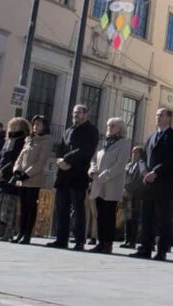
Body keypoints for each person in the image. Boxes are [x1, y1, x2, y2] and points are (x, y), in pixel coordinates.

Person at [130, 108, 173, 261]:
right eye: (157, 115)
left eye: (161, 115)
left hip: (164, 184)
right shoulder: (150, 136)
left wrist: (156, 172)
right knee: (146, 217)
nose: (158, 117)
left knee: (164, 219)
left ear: (169, 118)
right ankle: (145, 248)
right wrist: (144, 172)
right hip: (148, 184)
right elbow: (142, 157)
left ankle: (161, 250)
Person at [46, 105, 99, 251]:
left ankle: (79, 241)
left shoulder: (91, 131)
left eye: (79, 112)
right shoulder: (68, 130)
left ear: (86, 114)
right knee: (61, 207)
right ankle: (61, 239)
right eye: (74, 112)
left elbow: (85, 150)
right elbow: (61, 148)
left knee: (78, 209)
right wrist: (59, 160)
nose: (75, 115)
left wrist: (67, 160)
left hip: (79, 173)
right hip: (63, 174)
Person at [87, 117, 130, 253]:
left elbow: (121, 163)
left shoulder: (124, 143)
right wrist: (92, 169)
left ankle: (108, 243)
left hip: (112, 184)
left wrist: (107, 174)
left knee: (109, 214)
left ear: (120, 129)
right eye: (108, 126)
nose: (109, 128)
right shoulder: (102, 143)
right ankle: (100, 241)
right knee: (99, 213)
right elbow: (94, 159)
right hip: (99, 183)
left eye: (113, 126)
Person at [12, 115, 53, 244]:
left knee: (30, 207)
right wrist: (17, 170)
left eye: (39, 124)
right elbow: (20, 156)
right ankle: (20, 232)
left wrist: (27, 174)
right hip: (22, 179)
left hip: (34, 179)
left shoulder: (46, 140)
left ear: (45, 126)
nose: (36, 127)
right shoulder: (29, 139)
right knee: (22, 207)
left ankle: (27, 234)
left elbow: (41, 162)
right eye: (34, 124)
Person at [0, 118, 29, 241]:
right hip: (0, 178)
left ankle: (9, 231)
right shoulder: (8, 140)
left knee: (9, 207)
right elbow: (0, 156)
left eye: (16, 125)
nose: (13, 127)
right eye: (12, 125)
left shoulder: (23, 141)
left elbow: (15, 160)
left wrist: (3, 171)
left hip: (11, 177)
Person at [121, 146, 147, 249]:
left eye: (135, 153)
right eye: (132, 153)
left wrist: (130, 190)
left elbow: (138, 181)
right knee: (127, 218)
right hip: (127, 195)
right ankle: (126, 239)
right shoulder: (129, 165)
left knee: (134, 219)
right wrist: (124, 189)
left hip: (136, 196)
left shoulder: (141, 165)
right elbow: (125, 178)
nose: (133, 155)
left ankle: (132, 241)